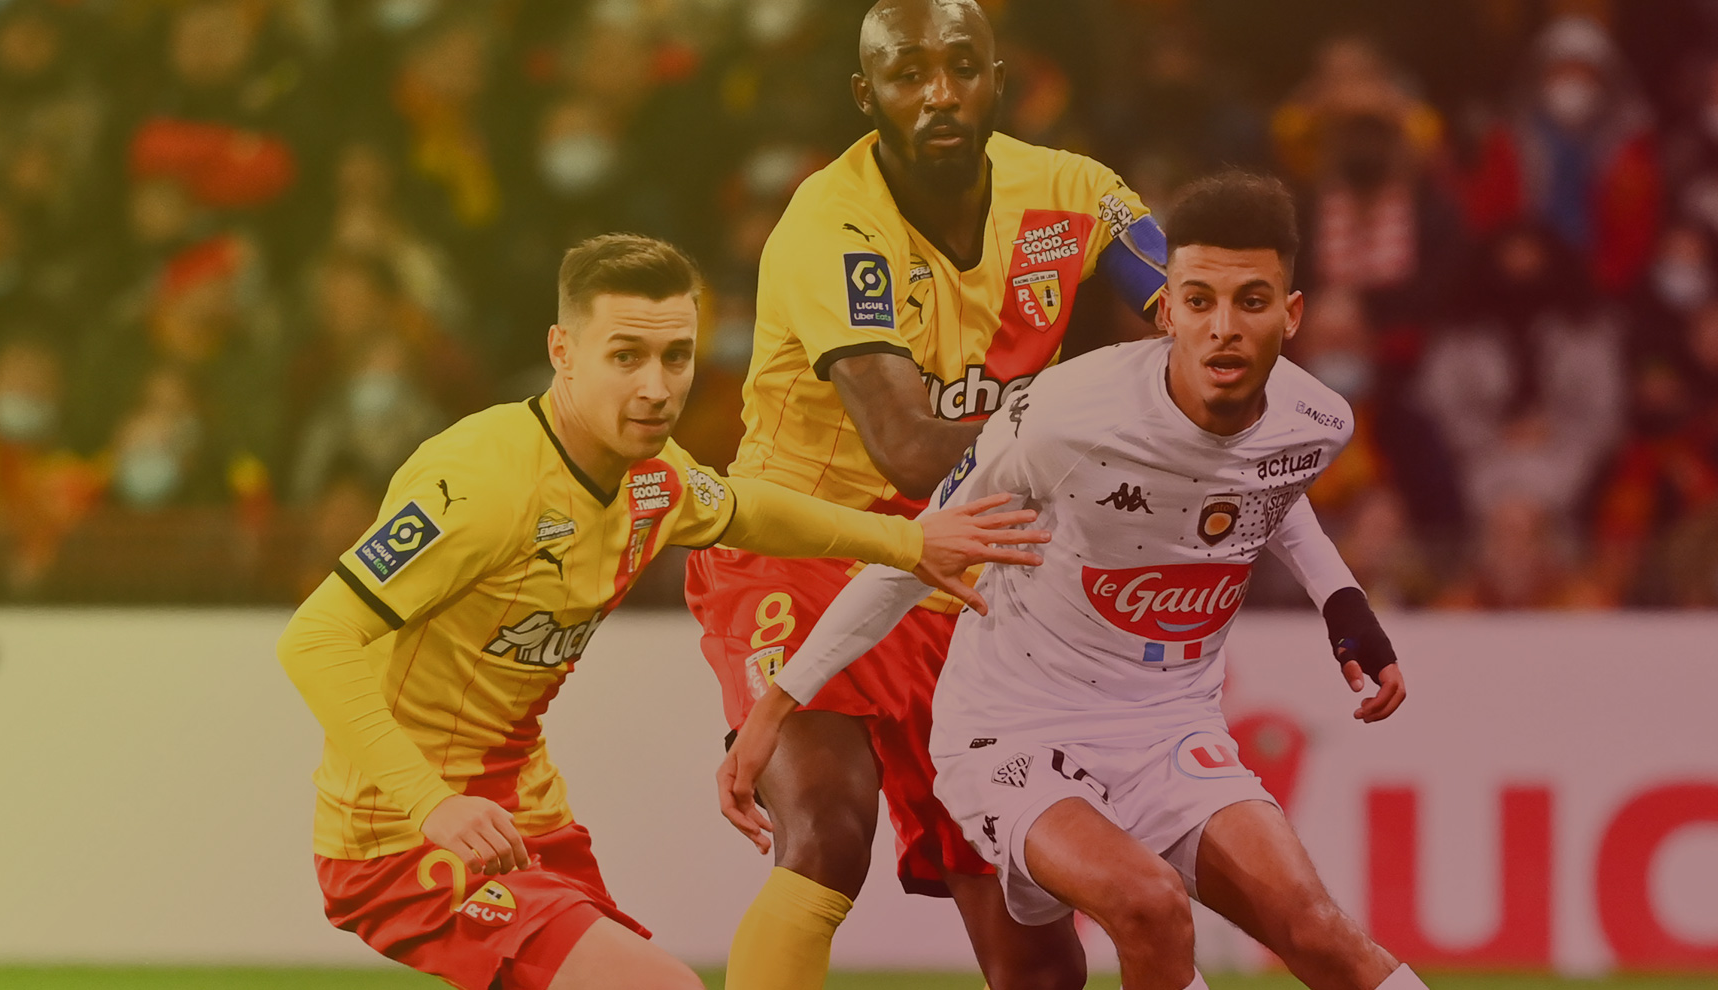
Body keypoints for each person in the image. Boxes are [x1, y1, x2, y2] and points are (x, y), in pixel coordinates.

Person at [683, 4, 1336, 988]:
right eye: (909, 74)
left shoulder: (1074, 195)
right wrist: (1107, 460)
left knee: (1035, 954)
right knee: (827, 830)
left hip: (978, 570)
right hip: (807, 545)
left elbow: (1209, 337)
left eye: (960, 67)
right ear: (867, 95)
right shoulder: (833, 223)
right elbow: (908, 448)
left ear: (998, 80)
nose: (938, 93)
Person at [275, 233, 1049, 990]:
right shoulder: (483, 483)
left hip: (525, 812)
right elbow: (314, 639)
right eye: (625, 357)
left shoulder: (652, 477)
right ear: (562, 351)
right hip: (400, 835)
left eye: (676, 356)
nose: (656, 387)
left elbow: (746, 509)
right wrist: (432, 805)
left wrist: (909, 541)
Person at [721, 173, 1432, 990]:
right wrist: (777, 705)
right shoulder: (1064, 418)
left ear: (1292, 314)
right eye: (1198, 301)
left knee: (1318, 932)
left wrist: (1345, 608)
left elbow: (1265, 488)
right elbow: (919, 553)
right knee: (1150, 905)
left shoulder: (1319, 422)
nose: (1224, 329)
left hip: (1170, 727)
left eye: (1252, 302)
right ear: (1165, 311)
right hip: (1014, 730)